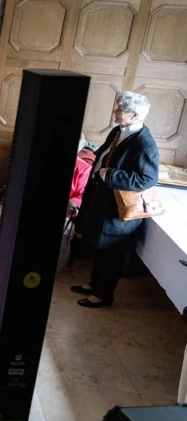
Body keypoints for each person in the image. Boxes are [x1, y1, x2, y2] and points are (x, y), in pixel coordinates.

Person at [72, 92, 159, 308]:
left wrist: (110, 175)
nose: (115, 111)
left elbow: (147, 179)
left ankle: (103, 295)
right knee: (100, 247)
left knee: (111, 252)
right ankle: (94, 284)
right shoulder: (118, 131)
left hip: (117, 210)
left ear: (134, 115)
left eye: (120, 109)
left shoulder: (144, 143)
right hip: (102, 201)